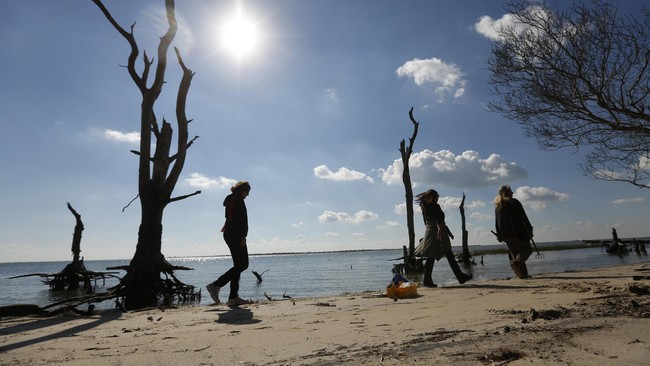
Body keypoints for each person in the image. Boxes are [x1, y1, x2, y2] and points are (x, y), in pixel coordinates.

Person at [206, 181, 252, 306]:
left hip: (230, 234)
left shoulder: (232, 199)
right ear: (242, 190)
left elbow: (233, 219)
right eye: (247, 191)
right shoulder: (237, 200)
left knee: (238, 265)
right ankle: (216, 285)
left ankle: (233, 297)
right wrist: (242, 236)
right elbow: (237, 220)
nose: (248, 194)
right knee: (243, 264)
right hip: (235, 235)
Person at [415, 189, 473, 287]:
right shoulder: (435, 207)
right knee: (449, 255)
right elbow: (439, 222)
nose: (438, 199)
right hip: (438, 232)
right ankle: (460, 277)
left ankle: (427, 280)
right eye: (437, 197)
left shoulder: (424, 207)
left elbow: (426, 222)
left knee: (431, 257)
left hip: (429, 232)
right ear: (433, 197)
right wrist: (440, 234)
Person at [494, 184, 534, 279]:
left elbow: (496, 222)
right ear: (507, 193)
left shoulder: (498, 206)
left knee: (516, 253)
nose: (512, 192)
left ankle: (523, 275)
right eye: (511, 191)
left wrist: (499, 235)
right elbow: (523, 217)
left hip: (506, 235)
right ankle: (518, 262)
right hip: (518, 232)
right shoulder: (514, 202)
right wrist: (529, 229)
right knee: (527, 250)